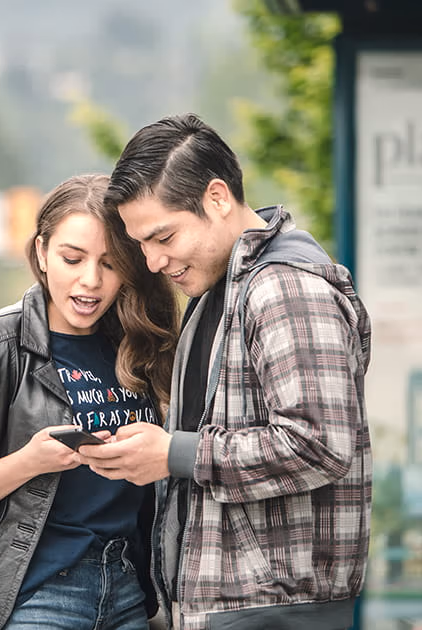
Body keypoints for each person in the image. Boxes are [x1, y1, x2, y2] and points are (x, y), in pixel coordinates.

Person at [76, 113, 374, 630]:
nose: (151, 261)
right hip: (238, 610)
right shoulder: (221, 289)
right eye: (141, 243)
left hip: (272, 612)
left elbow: (320, 445)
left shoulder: (284, 289)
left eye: (162, 236)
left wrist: (173, 453)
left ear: (217, 198)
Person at [0, 174, 179, 630]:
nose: (90, 281)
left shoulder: (140, 344)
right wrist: (28, 462)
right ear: (41, 253)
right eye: (72, 258)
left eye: (110, 264)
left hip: (129, 590)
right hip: (36, 595)